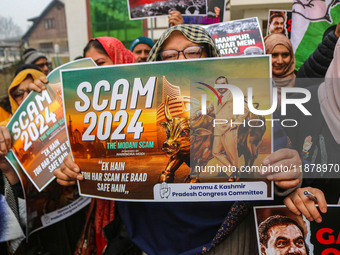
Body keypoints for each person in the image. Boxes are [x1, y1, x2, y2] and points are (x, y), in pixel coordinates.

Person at [55, 25, 302, 255]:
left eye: (193, 52)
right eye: (169, 55)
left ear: (211, 57)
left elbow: (281, 166)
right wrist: (76, 167)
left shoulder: (243, 103)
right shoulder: (131, 115)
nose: (181, 60)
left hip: (225, 240)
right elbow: (99, 164)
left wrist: (288, 177)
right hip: (152, 244)